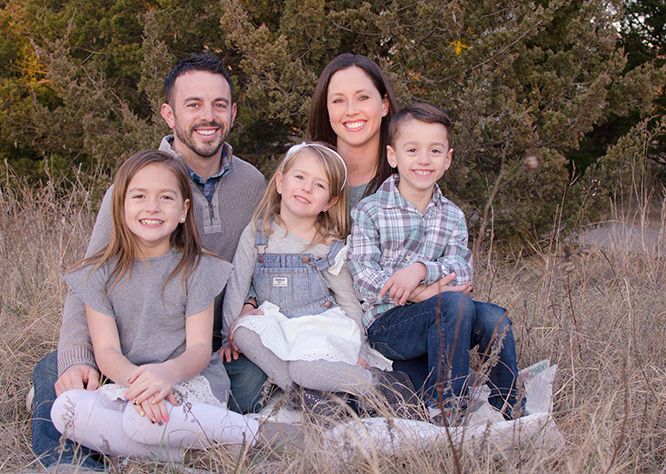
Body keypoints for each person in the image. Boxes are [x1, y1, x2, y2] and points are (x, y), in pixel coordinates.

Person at [31, 53, 268, 471]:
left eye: (218, 104)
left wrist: (246, 312)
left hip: (206, 345)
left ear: (232, 111)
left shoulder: (252, 183)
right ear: (169, 114)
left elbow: (262, 261)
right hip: (129, 344)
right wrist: (76, 356)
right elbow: (92, 277)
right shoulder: (134, 187)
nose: (207, 116)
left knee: (254, 380)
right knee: (55, 372)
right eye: (193, 104)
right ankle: (71, 463)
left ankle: (165, 435)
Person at [50, 150, 299, 462]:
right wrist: (141, 386)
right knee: (66, 409)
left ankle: (260, 434)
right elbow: (106, 352)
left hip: (187, 378)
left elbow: (198, 348)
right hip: (130, 381)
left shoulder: (197, 267)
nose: (151, 207)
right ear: (120, 206)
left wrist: (165, 376)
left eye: (165, 197)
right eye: (138, 196)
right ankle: (188, 456)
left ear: (183, 210)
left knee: (137, 421)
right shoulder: (100, 273)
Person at [347, 103, 524, 421]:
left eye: (435, 150)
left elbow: (462, 269)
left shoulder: (453, 215)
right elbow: (361, 273)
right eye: (412, 149)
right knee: (454, 304)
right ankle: (447, 408)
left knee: (494, 318)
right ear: (393, 156)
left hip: (444, 319)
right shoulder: (369, 211)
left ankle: (510, 407)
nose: (424, 160)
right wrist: (415, 294)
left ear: (448, 159)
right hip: (388, 326)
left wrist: (420, 270)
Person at [219, 142, 411, 414]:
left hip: (317, 327)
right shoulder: (257, 234)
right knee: (243, 329)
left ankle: (377, 386)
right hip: (276, 325)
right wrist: (228, 338)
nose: (306, 188)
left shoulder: (328, 245)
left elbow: (349, 301)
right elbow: (237, 285)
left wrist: (360, 351)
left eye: (319, 185)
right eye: (299, 177)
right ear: (280, 182)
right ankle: (312, 398)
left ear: (330, 202)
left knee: (302, 368)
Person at [307, 53, 399, 209]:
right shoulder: (301, 179)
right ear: (326, 109)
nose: (351, 110)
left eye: (362, 97)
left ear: (384, 105)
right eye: (338, 100)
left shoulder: (408, 182)